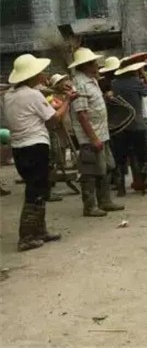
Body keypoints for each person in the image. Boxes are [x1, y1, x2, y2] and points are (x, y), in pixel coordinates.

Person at [3, 54, 77, 251]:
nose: (44, 74)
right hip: (35, 146)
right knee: (35, 192)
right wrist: (68, 101)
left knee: (39, 189)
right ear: (33, 75)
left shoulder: (10, 95)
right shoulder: (33, 95)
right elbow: (54, 120)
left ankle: (39, 231)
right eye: (41, 72)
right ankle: (26, 236)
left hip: (20, 148)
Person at [69, 47, 124, 217]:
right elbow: (82, 115)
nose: (97, 65)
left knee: (106, 167)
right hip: (90, 136)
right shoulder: (80, 84)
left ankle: (105, 200)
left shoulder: (91, 80)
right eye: (93, 63)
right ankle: (90, 205)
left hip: (101, 132)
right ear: (86, 65)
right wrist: (93, 138)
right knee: (90, 172)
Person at [111, 60, 147, 194]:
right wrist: (143, 75)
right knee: (142, 157)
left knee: (120, 159)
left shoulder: (114, 84)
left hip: (121, 126)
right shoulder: (136, 82)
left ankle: (120, 188)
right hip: (137, 124)